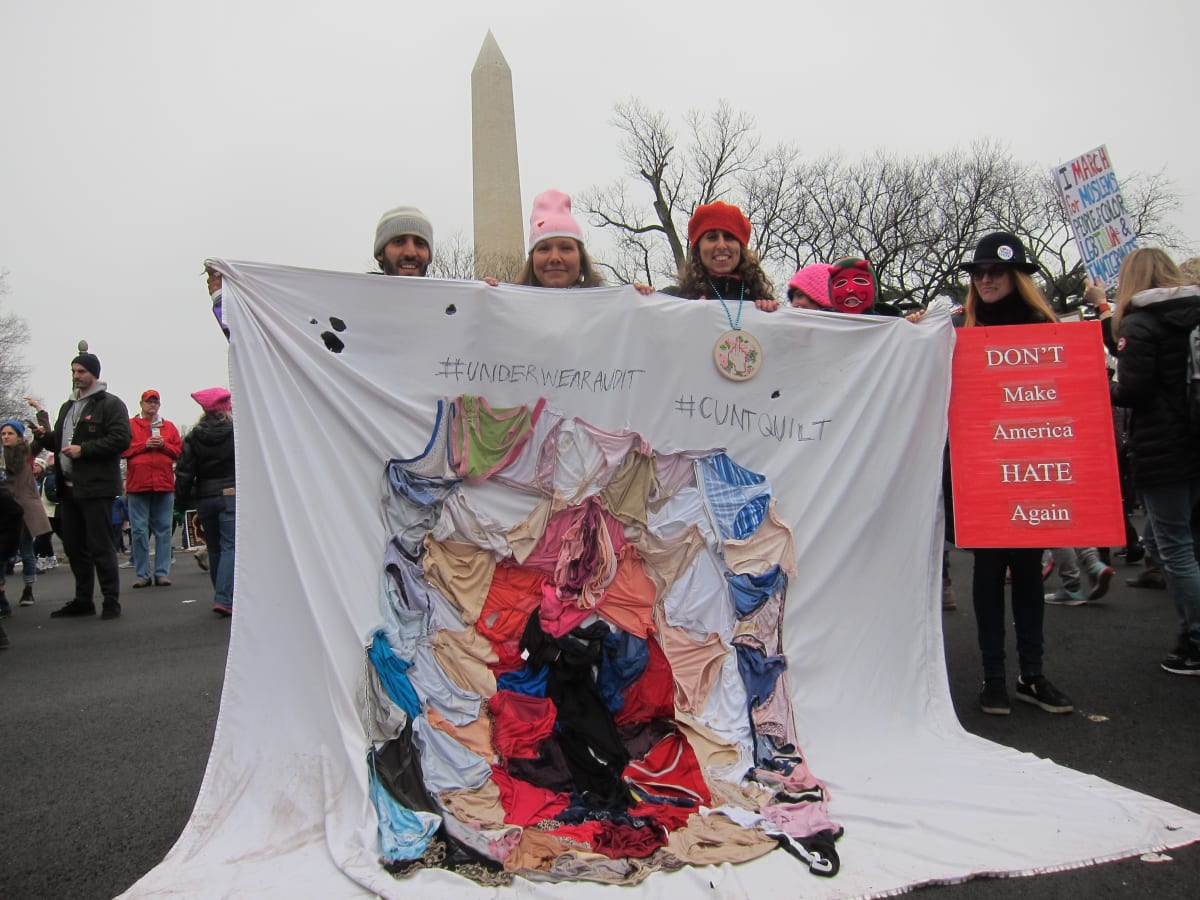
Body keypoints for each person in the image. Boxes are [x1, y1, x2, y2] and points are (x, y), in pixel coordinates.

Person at [956, 231, 1074, 714]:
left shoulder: (1047, 331)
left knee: (1026, 572)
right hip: (981, 469)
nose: (985, 279)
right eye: (979, 273)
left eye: (995, 272)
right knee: (987, 574)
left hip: (1028, 468)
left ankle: (1033, 673)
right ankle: (994, 677)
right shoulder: (960, 328)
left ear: (1016, 277)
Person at [1108, 248, 1200, 675]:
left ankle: (1195, 640)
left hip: (1163, 448)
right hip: (1194, 439)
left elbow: (1135, 391)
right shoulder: (1193, 315)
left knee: (1175, 548)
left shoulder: (1140, 323)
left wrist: (1106, 383)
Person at [34, 350, 132, 620]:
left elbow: (122, 439)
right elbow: (61, 443)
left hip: (96, 488)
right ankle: (83, 599)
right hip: (69, 489)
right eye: (74, 371)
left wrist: (84, 450)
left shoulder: (109, 404)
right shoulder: (68, 407)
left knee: (100, 546)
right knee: (74, 547)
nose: (76, 376)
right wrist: (45, 437)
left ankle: (111, 601)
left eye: (82, 372)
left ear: (94, 374)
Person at [175, 388, 236, 617]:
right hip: (231, 493)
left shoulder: (194, 435)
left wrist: (180, 503)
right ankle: (224, 597)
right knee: (231, 545)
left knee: (215, 547)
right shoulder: (236, 432)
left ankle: (221, 595)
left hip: (205, 496)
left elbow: (184, 472)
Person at [662, 201, 778, 311]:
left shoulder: (760, 304)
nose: (721, 245)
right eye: (712, 237)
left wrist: (772, 316)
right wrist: (645, 296)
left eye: (729, 237)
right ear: (699, 249)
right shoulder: (674, 300)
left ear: (741, 248)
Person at [122, 389, 182, 588]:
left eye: (156, 402)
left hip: (164, 484)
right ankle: (142, 573)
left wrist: (164, 445)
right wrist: (144, 444)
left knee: (164, 531)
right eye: (149, 402)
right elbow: (122, 449)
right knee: (139, 531)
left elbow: (178, 451)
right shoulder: (130, 425)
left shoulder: (169, 426)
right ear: (141, 403)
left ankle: (162, 573)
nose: (152, 405)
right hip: (138, 485)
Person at [1, 420, 52, 613]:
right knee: (2, 554)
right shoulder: (1, 457)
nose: (6, 437)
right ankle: (2, 594)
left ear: (19, 436)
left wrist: (40, 418)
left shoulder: (27, 453)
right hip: (4, 508)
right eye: (3, 434)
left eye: (10, 433)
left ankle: (28, 589)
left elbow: (43, 437)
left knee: (26, 550)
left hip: (22, 509)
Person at [510, 189, 604, 289]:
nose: (555, 258)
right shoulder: (508, 302)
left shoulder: (608, 302)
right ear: (532, 260)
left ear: (581, 258)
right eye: (544, 249)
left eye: (565, 248)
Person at [373, 205, 435, 277]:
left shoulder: (446, 288)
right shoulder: (359, 288)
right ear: (380, 253)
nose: (410, 253)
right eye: (399, 241)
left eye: (420, 243)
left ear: (429, 256)